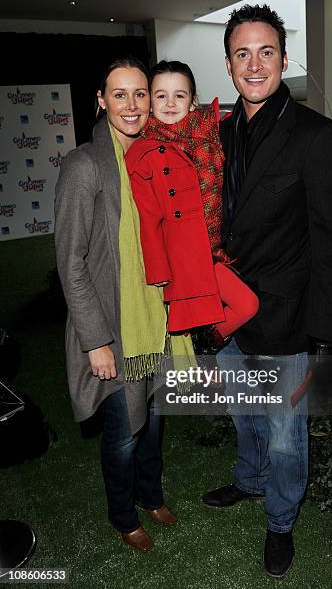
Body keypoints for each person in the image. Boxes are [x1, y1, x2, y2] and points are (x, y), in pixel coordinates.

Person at [201, 5, 332, 579]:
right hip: (226, 313)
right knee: (243, 415)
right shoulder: (217, 134)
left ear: (285, 60)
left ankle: (281, 521)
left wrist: (325, 333)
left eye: (266, 52)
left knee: (287, 438)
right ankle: (250, 482)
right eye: (243, 54)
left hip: (288, 321)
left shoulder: (317, 137)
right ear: (229, 64)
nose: (255, 64)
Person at [54, 57, 190, 553]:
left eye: (140, 94)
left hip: (154, 322)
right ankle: (122, 513)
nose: (132, 106)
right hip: (112, 328)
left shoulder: (154, 158)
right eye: (120, 94)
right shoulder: (84, 165)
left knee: (154, 422)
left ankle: (151, 493)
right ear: (101, 100)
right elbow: (71, 262)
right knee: (122, 433)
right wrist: (96, 341)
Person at [125, 60, 258, 349]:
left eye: (180, 95)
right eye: (161, 95)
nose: (170, 103)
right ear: (149, 100)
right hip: (185, 260)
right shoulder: (144, 152)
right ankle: (203, 346)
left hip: (216, 249)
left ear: (193, 101)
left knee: (241, 309)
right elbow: (148, 219)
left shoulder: (212, 133)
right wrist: (159, 272)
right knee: (247, 304)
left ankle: (202, 345)